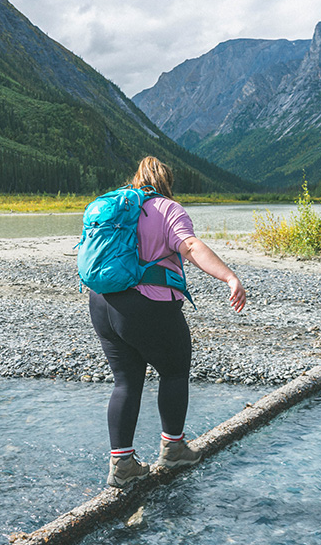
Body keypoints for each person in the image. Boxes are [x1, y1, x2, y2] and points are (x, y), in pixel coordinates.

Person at [88, 156, 247, 488]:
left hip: (102, 303)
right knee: (174, 371)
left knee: (126, 382)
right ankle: (173, 449)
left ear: (136, 179)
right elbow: (190, 246)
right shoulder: (167, 208)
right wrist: (229, 277)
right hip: (145, 306)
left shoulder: (115, 206)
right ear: (167, 182)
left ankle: (123, 465)